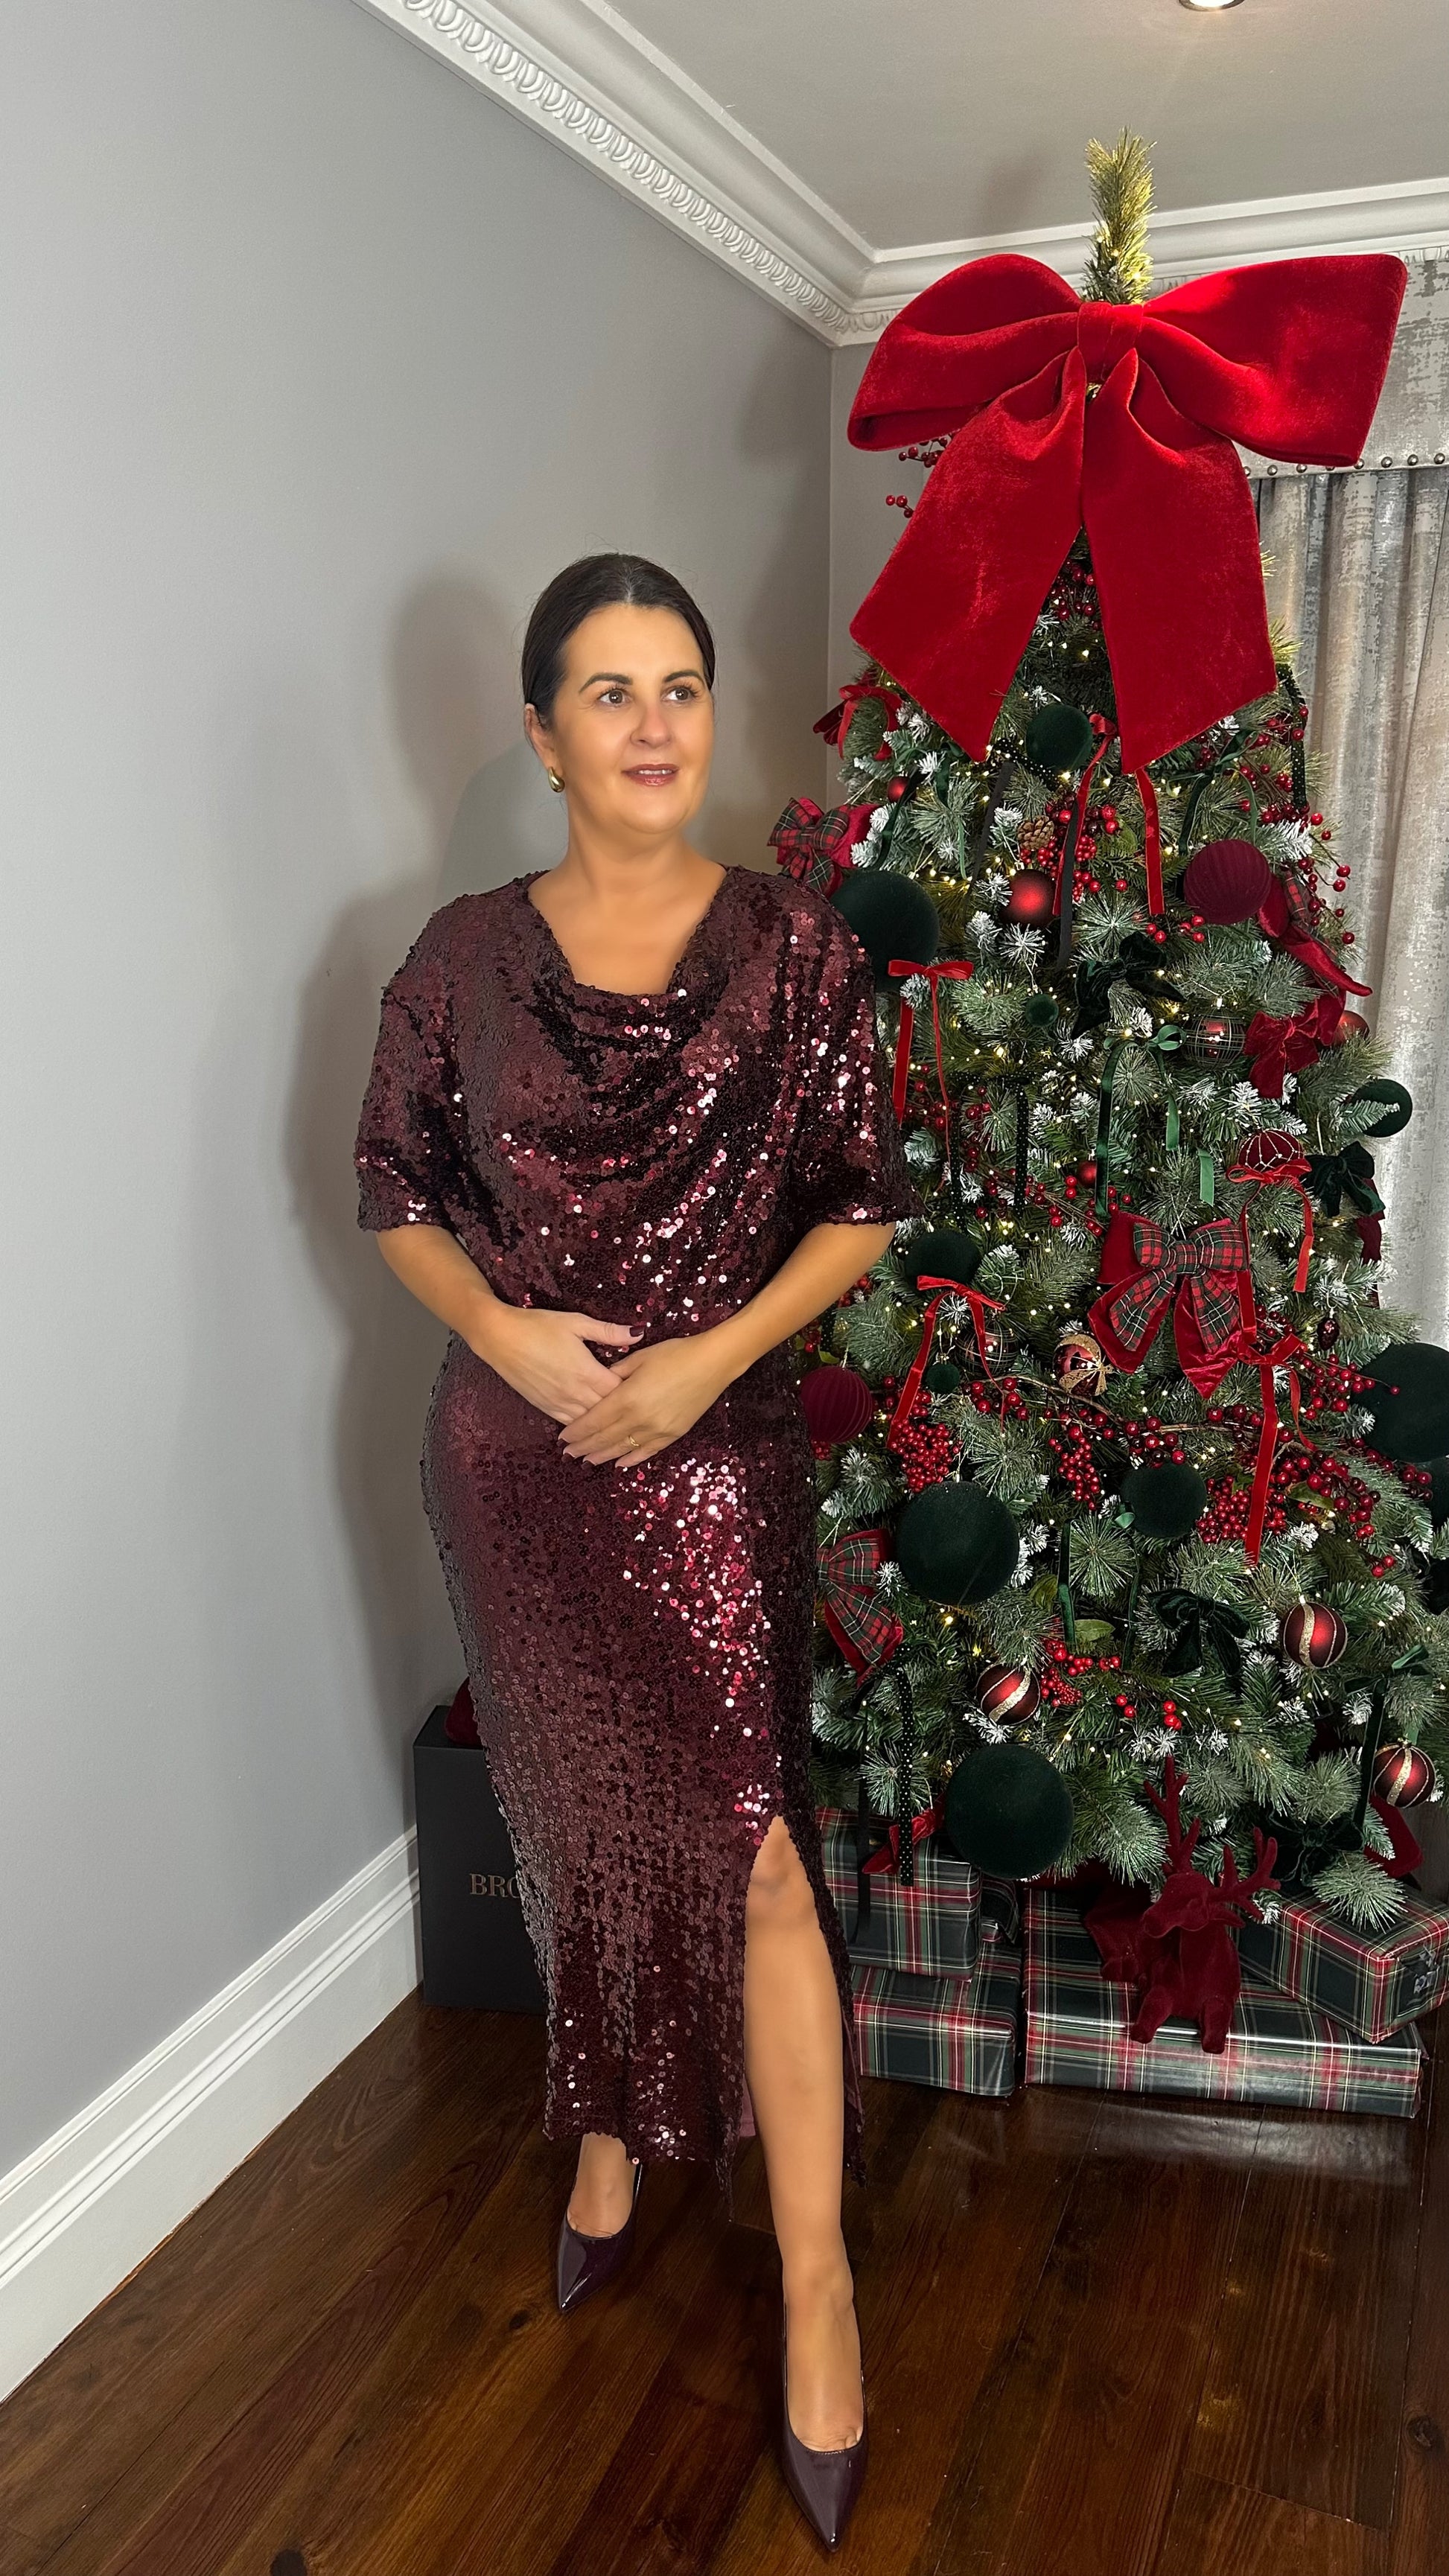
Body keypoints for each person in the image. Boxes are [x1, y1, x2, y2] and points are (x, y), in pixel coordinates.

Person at [354, 552, 923, 2548]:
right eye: (610, 692)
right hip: (514, 1468)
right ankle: (600, 2133)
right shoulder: (455, 956)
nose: (656, 722)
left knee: (752, 1853)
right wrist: (506, 1333)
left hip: (712, 1461)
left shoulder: (796, 950)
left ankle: (817, 2283)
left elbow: (862, 1202)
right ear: (543, 735)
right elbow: (393, 1188)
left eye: (678, 684)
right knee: (573, 1822)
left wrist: (709, 1361)